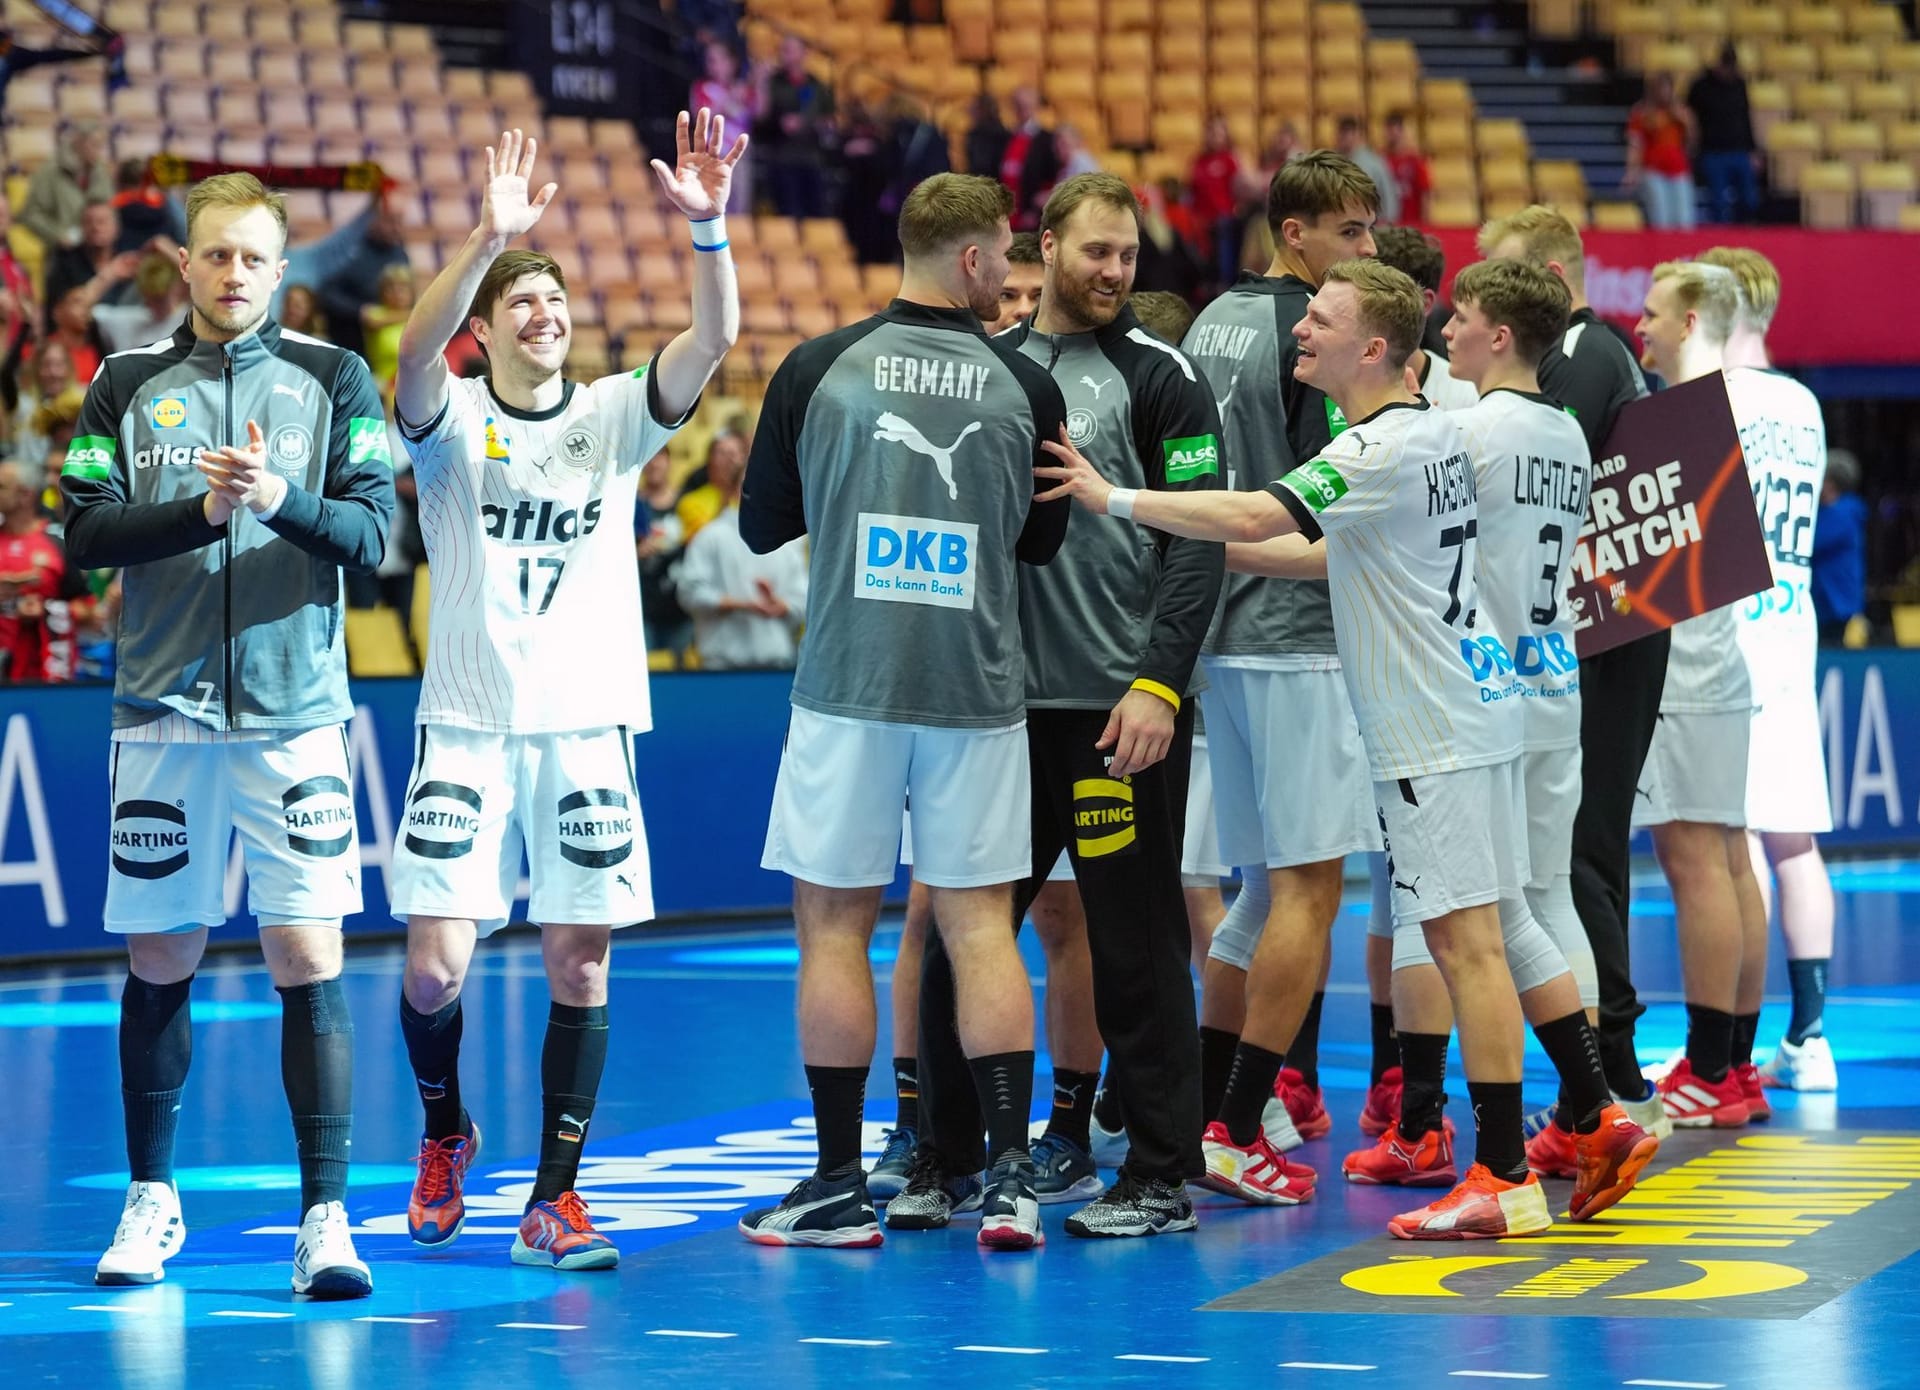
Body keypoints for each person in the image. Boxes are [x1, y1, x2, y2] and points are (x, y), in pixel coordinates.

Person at [1037, 258, 1652, 1237]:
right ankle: (1586, 1120)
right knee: (1497, 927)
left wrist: (1115, 500)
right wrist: (1193, 544)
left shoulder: (1379, 447)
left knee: (1465, 944)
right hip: (1488, 704)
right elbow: (1321, 550)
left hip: (1432, 725)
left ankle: (1499, 1173)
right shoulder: (1438, 434)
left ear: (1374, 345)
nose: (1300, 330)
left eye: (1321, 317)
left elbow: (1254, 509)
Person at [387, 115, 742, 1271]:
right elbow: (408, 351)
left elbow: (715, 339)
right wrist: (488, 240)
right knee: (436, 962)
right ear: (481, 337)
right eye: (519, 306)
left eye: (556, 301)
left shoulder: (610, 417)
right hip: (469, 724)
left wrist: (709, 233)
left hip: (589, 725)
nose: (547, 315)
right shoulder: (450, 426)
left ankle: (555, 1196)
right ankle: (446, 1133)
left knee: (580, 959)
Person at [63, 171, 397, 1295]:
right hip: (162, 708)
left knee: (309, 951)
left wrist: (275, 500)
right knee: (162, 953)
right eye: (215, 254)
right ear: (185, 263)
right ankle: (151, 1201)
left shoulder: (333, 376)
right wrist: (203, 511)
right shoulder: (123, 381)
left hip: (296, 714)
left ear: (282, 266)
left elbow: (374, 535)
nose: (234, 273)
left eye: (254, 256)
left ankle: (326, 1219)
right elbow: (82, 532)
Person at [736, 171, 1069, 1250]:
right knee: (980, 928)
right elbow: (1040, 543)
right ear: (972, 262)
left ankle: (837, 1185)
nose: (1012, 277)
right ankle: (1010, 1179)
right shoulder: (1027, 387)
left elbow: (758, 531)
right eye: (1008, 258)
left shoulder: (817, 368)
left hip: (849, 686)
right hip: (976, 687)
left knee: (832, 926)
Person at [907, 172, 1223, 1241]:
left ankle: (1160, 1174)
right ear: (1043, 249)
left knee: (1137, 947)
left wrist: (1158, 684)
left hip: (1116, 717)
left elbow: (1198, 548)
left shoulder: (1164, 378)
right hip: (995, 718)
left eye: (1129, 256)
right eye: (1096, 252)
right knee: (966, 938)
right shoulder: (988, 370)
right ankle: (946, 1160)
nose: (1115, 272)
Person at [1179, 151, 1381, 1204]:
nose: (1367, 249)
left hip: (1222, 636)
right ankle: (1233, 1125)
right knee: (1310, 888)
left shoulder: (1210, 315)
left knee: (1256, 893)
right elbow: (1317, 502)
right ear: (1294, 234)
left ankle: (1212, 1111)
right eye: (1349, 231)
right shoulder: (1314, 335)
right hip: (1299, 632)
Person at [1429, 259, 1646, 1191]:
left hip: (1484, 694)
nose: (1446, 333)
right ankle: (1581, 1117)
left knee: (1483, 915)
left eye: (1462, 319)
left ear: (1502, 337)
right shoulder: (1566, 432)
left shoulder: (1465, 429)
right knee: (1551, 898)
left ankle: (1537, 1134)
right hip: (1556, 680)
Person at [1478, 206, 1669, 1139]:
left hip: (1592, 643)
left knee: (1575, 867)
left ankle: (1610, 1079)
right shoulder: (1600, 364)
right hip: (1591, 638)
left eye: (1504, 279)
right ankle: (1603, 1086)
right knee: (1570, 871)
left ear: (1552, 277)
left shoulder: (1582, 366)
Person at [871, 222, 1051, 1203]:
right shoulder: (941, 380)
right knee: (932, 915)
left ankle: (1046, 1126)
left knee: (1048, 916)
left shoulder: (1028, 393)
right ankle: (918, 1127)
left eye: (1032, 294)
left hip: (1037, 687)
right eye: (1007, 289)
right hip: (957, 686)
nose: (1018, 307)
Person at [1699, 246, 1838, 1097]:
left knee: (1733, 839)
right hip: (1793, 621)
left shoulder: (1709, 397)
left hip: (1727, 628)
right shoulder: (1806, 403)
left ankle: (1729, 1048)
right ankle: (1811, 1036)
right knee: (1796, 841)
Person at [1628, 261, 1763, 1129]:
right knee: (1730, 856)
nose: (1637, 327)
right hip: (1725, 668)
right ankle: (1736, 1065)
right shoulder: (1750, 405)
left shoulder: (1685, 415)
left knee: (1695, 863)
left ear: (1686, 322)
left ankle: (1710, 1067)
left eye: (1648, 314)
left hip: (1686, 673)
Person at [676, 432, 807, 668]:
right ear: (740, 487)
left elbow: (804, 599)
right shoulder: (710, 536)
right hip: (721, 666)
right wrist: (736, 604)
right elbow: (689, 592)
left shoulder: (788, 542)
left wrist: (782, 606)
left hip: (777, 665)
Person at [0, 458, 88, 681]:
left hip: (47, 674)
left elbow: (88, 608)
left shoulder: (58, 542)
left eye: (2, 487)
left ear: (25, 495)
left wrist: (46, 610)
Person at [1372, 227, 1477, 408]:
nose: (1363, 307)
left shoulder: (1465, 396)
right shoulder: (1333, 382)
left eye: (1381, 294)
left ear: (1424, 303)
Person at [757, 36, 834, 219]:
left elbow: (830, 119)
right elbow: (760, 117)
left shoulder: (817, 85)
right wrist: (761, 81)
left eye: (790, 49)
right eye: (783, 49)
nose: (785, 54)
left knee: (817, 215)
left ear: (804, 53)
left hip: (812, 159)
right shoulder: (773, 82)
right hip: (781, 157)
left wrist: (811, 124)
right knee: (788, 214)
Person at [1689, 44, 1760, 225]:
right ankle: (1721, 237)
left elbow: (1745, 118)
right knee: (1718, 201)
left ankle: (1744, 234)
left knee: (1750, 198)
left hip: (1739, 150)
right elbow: (1689, 117)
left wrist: (1753, 149)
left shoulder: (1739, 85)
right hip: (1713, 152)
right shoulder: (1701, 86)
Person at [19, 120, 112, 250]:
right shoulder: (50, 171)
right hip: (64, 246)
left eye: (101, 146)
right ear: (78, 143)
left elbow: (109, 208)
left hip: (96, 244)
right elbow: (32, 214)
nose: (98, 152)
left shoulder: (100, 171)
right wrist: (58, 235)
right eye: (94, 145)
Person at [692, 42, 760, 214]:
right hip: (712, 157)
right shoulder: (703, 88)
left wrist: (761, 81)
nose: (713, 66)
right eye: (710, 61)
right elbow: (701, 117)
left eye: (717, 60)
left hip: (740, 158)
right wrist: (728, 100)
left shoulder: (743, 89)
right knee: (713, 208)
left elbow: (760, 112)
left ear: (732, 63)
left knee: (740, 207)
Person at [1626, 74, 1698, 230]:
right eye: (1660, 88)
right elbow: (1635, 144)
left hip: (1679, 170)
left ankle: (1683, 253)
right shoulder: (1642, 113)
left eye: (1667, 88)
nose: (1664, 93)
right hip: (1653, 171)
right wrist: (1631, 171)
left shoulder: (1681, 112)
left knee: (1684, 220)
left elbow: (1692, 143)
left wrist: (1687, 122)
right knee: (1661, 220)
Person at [1812, 448, 1865, 647]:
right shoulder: (1828, 511)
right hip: (1826, 601)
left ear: (1830, 483)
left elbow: (1812, 543)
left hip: (1835, 603)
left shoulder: (1844, 513)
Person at [90, 251, 185, 353]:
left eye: (162, 298)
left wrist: (167, 248)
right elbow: (79, 310)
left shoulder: (191, 319)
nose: (158, 304)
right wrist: (111, 273)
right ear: (144, 294)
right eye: (153, 298)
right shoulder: (128, 321)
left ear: (177, 288)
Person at [1190, 113, 1242, 284]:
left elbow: (1239, 190)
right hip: (1200, 221)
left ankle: (1223, 283)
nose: (1213, 136)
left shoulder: (1229, 160)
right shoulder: (1199, 161)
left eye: (1217, 132)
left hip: (1222, 221)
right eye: (1210, 132)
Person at [999, 87, 1061, 232]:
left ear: (1036, 108)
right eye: (1018, 106)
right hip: (1008, 214)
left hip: (1030, 217)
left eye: (1026, 106)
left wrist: (1035, 211)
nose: (1022, 111)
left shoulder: (1046, 140)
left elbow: (1050, 179)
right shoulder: (1006, 138)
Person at [1336, 116, 1399, 224]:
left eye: (1347, 133)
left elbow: (1388, 194)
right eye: (1341, 133)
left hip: (1372, 223)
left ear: (1357, 134)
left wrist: (1388, 221)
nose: (1343, 138)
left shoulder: (1373, 162)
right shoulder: (1335, 160)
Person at [1383, 111, 1434, 227]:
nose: (1391, 135)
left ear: (1401, 131)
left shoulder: (1415, 160)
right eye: (1388, 130)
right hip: (1389, 222)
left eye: (1394, 130)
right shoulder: (1381, 160)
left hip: (1412, 221)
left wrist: (1426, 220)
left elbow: (1425, 191)